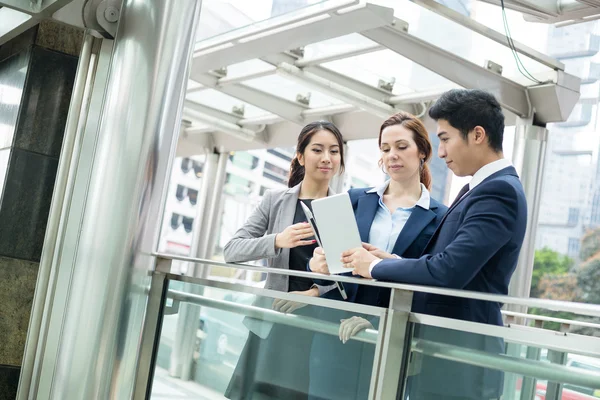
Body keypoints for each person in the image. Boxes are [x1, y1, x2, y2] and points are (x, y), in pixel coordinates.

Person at [342, 89, 528, 400]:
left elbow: (448, 270)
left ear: (478, 134)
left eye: (445, 138)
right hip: (448, 351)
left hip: (462, 356)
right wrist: (391, 259)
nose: (440, 152)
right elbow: (449, 260)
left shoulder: (498, 192)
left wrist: (373, 267)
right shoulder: (481, 188)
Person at [307, 111, 447, 400]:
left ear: (422, 151)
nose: (392, 155)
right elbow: (327, 260)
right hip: (335, 333)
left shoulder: (440, 218)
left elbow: (428, 284)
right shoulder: (355, 199)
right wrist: (316, 263)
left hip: (389, 337)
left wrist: (381, 322)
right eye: (385, 149)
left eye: (401, 146)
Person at [223, 121, 345, 400]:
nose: (327, 158)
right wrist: (277, 239)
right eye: (318, 150)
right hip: (271, 322)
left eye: (334, 151)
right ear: (301, 156)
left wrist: (313, 293)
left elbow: (346, 277)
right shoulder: (275, 200)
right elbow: (232, 250)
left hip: (314, 328)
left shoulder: (341, 208)